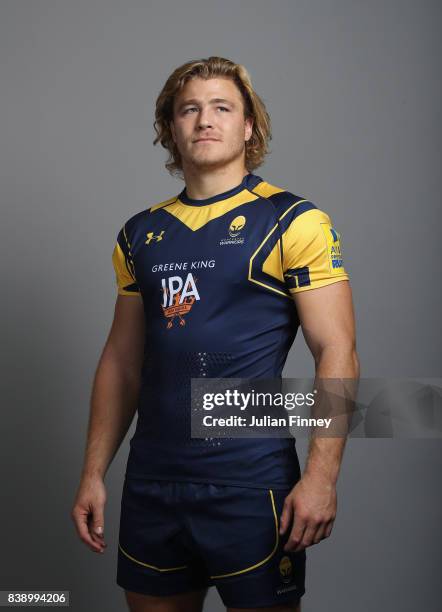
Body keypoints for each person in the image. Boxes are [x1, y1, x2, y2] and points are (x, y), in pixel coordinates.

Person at [71, 56, 360, 612]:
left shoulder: (292, 220)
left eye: (222, 107)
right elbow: (121, 362)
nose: (205, 120)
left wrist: (323, 477)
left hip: (250, 484)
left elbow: (337, 350)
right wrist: (92, 474)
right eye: (190, 109)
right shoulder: (140, 234)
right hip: (152, 480)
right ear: (171, 128)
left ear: (248, 126)